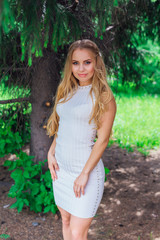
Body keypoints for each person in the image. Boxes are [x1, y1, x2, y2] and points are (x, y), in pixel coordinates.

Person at [46, 39, 117, 240]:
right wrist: (51, 152)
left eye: (87, 62)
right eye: (76, 63)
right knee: (66, 221)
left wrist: (84, 174)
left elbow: (102, 141)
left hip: (86, 173)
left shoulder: (104, 97)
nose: (81, 68)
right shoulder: (66, 91)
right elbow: (63, 127)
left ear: (97, 63)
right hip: (61, 172)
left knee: (78, 233)